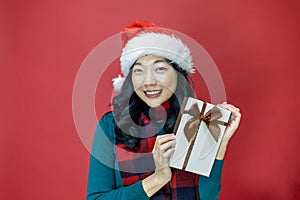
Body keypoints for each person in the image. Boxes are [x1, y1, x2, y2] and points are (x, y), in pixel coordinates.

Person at [86, 20, 241, 200]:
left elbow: (207, 196)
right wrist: (158, 178)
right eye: (138, 71)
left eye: (160, 69)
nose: (149, 81)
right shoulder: (111, 125)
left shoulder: (198, 119)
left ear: (178, 73)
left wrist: (219, 145)